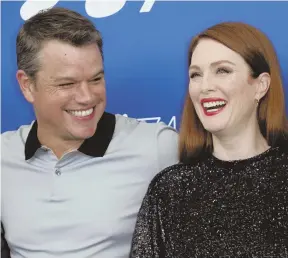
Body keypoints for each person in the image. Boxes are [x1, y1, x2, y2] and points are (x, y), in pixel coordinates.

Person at [1, 7, 179, 258]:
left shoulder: (158, 146)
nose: (87, 97)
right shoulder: (3, 155)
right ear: (27, 86)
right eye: (67, 84)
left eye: (96, 79)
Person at [130, 21, 288, 257]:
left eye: (222, 70)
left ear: (261, 86)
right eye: (196, 75)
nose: (204, 87)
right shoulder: (169, 191)